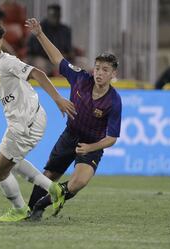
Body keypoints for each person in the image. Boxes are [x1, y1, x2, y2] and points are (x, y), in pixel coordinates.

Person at [0, 21, 76, 222]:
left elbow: (37, 73)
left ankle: (20, 209)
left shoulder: (7, 62)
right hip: (23, 121)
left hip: (26, 122)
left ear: (0, 42)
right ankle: (54, 190)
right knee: (14, 162)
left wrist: (58, 98)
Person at [24, 18, 122, 220]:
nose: (99, 73)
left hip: (92, 144)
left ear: (113, 73)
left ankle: (42, 205)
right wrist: (40, 34)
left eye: (105, 70)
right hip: (70, 135)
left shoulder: (114, 101)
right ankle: (30, 210)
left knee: (79, 183)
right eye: (97, 68)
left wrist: (89, 148)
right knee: (49, 175)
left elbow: (112, 138)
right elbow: (56, 58)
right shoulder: (80, 79)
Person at [27, 4, 72, 76]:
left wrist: (67, 56)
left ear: (60, 16)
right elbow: (33, 50)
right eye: (52, 15)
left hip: (59, 59)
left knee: (81, 63)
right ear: (48, 15)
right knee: (40, 64)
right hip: (43, 59)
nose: (54, 18)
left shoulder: (65, 30)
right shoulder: (39, 28)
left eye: (56, 15)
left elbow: (69, 49)